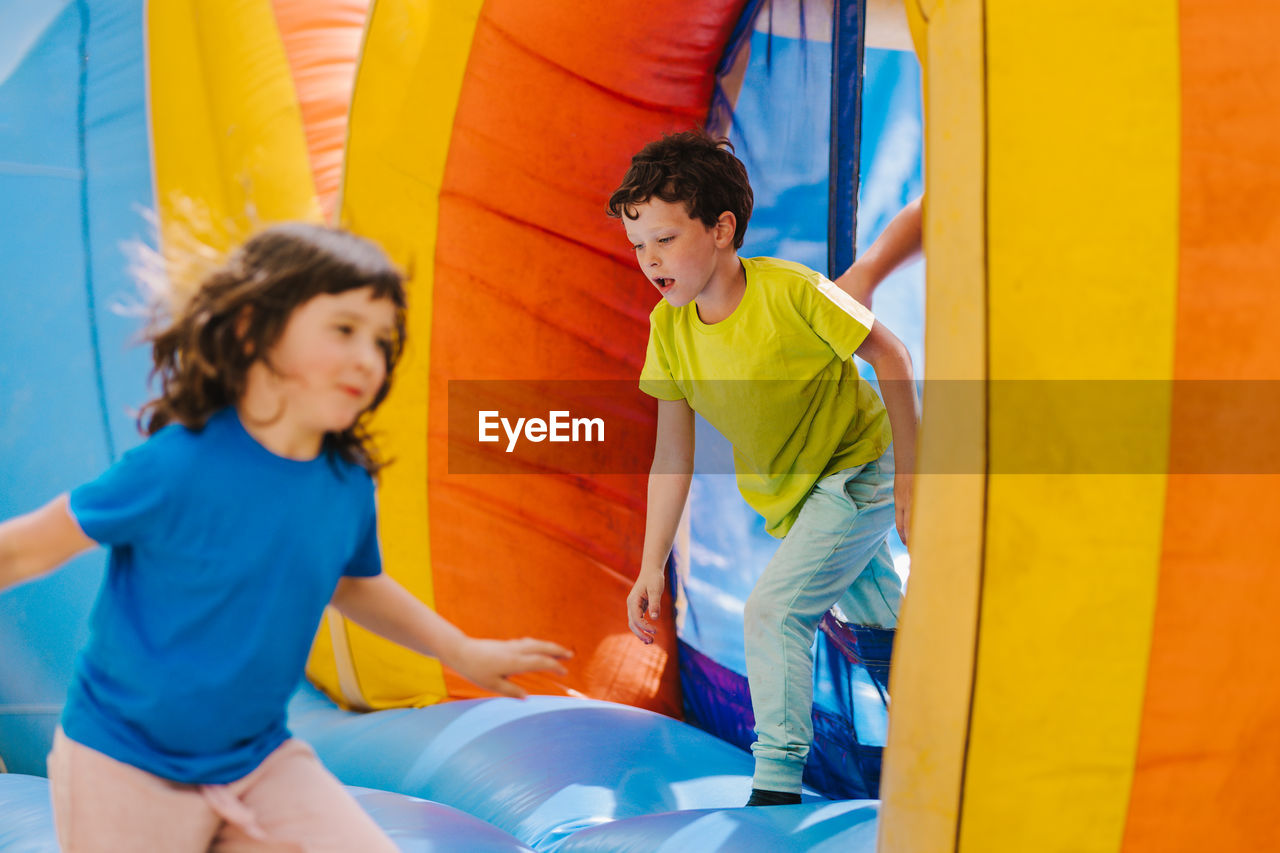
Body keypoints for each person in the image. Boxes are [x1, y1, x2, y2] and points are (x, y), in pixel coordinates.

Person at [0, 223, 572, 851]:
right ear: (253, 328)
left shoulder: (343, 481)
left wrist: (462, 651)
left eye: (382, 341)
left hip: (257, 761)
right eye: (344, 329)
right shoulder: (177, 467)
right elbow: (27, 546)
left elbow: (355, 583)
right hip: (128, 767)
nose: (368, 358)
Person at [609, 131, 918, 807]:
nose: (649, 260)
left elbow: (892, 355)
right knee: (882, 622)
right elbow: (672, 454)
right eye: (638, 245)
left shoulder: (793, 293)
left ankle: (775, 785)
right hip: (799, 497)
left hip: (859, 467)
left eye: (664, 239)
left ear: (722, 229)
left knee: (774, 609)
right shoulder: (672, 328)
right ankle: (948, 738)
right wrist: (649, 563)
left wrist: (913, 479)